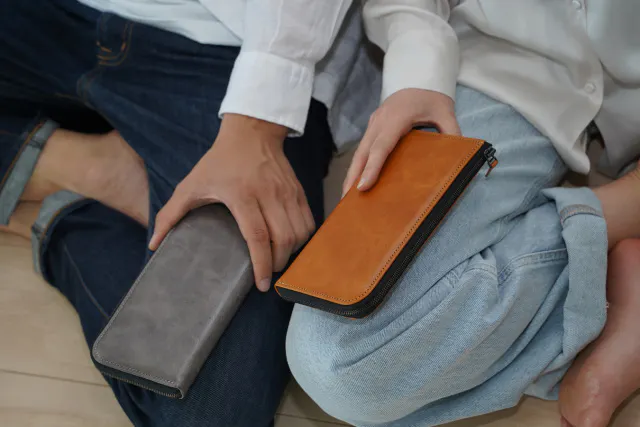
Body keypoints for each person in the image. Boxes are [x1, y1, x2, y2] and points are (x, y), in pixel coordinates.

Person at [0, 0, 378, 426]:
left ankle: (62, 212)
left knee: (210, 413)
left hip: (228, 53)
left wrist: (254, 127)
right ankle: (81, 167)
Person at [285, 1, 640, 427]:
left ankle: (600, 288)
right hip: (505, 68)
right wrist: (418, 74)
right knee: (336, 364)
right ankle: (618, 222)